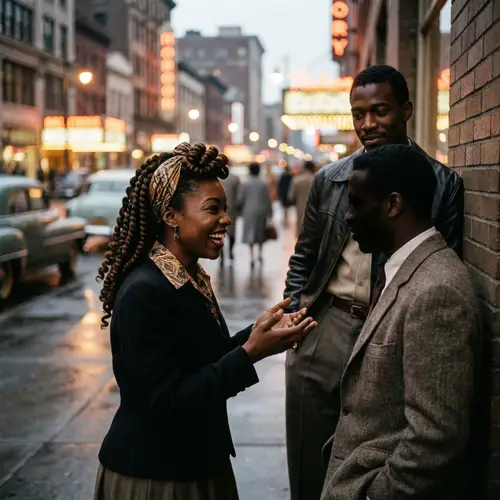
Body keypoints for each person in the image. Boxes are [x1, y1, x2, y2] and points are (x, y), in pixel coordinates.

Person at [93, 143, 316, 500]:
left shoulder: (188, 275)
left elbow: (201, 360)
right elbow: (165, 403)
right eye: (213, 209)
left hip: (197, 462)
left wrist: (259, 335)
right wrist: (248, 353)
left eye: (225, 208)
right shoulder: (144, 291)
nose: (226, 219)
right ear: (170, 216)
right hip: (157, 477)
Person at [284, 65, 465, 500]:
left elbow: (442, 260)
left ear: (405, 111)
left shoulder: (443, 184)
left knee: (368, 450)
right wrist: (296, 315)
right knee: (309, 463)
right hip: (326, 326)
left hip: (391, 331)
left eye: (380, 111)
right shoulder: (330, 180)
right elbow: (304, 256)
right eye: (358, 114)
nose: (368, 125)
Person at [321, 144, 481, 500]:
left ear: (393, 205)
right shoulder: (401, 270)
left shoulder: (437, 292)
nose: (347, 216)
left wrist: (371, 493)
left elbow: (435, 439)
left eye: (357, 202)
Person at [238, 162, 273, 268]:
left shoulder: (245, 183)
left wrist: (239, 210)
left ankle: (252, 257)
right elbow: (268, 199)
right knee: (260, 233)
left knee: (250, 233)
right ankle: (260, 254)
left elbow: (240, 199)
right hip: (261, 211)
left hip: (249, 211)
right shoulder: (263, 184)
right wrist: (270, 212)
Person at [288, 160, 316, 235]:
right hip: (315, 209)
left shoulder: (296, 179)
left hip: (299, 208)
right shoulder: (316, 179)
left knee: (300, 229)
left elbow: (290, 196)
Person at [220, 163, 240, 266]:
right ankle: (230, 252)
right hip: (232, 208)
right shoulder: (235, 178)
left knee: (219, 233)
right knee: (232, 233)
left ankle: (222, 254)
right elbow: (239, 195)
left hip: (219, 209)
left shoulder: (217, 178)